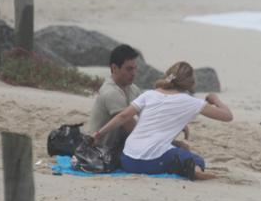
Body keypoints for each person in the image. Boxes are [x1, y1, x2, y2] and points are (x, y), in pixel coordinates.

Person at [93, 61, 233, 180]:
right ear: (190, 83)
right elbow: (228, 116)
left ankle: (184, 166)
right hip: (152, 163)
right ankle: (195, 170)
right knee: (196, 159)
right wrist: (215, 100)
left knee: (181, 148)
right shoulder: (191, 102)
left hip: (127, 159)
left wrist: (99, 133)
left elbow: (122, 116)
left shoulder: (149, 94)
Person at [86, 44, 142, 150]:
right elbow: (130, 126)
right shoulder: (110, 92)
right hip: (100, 149)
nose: (134, 73)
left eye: (135, 68)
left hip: (118, 145)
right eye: (129, 69)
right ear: (114, 68)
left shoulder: (133, 89)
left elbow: (147, 114)